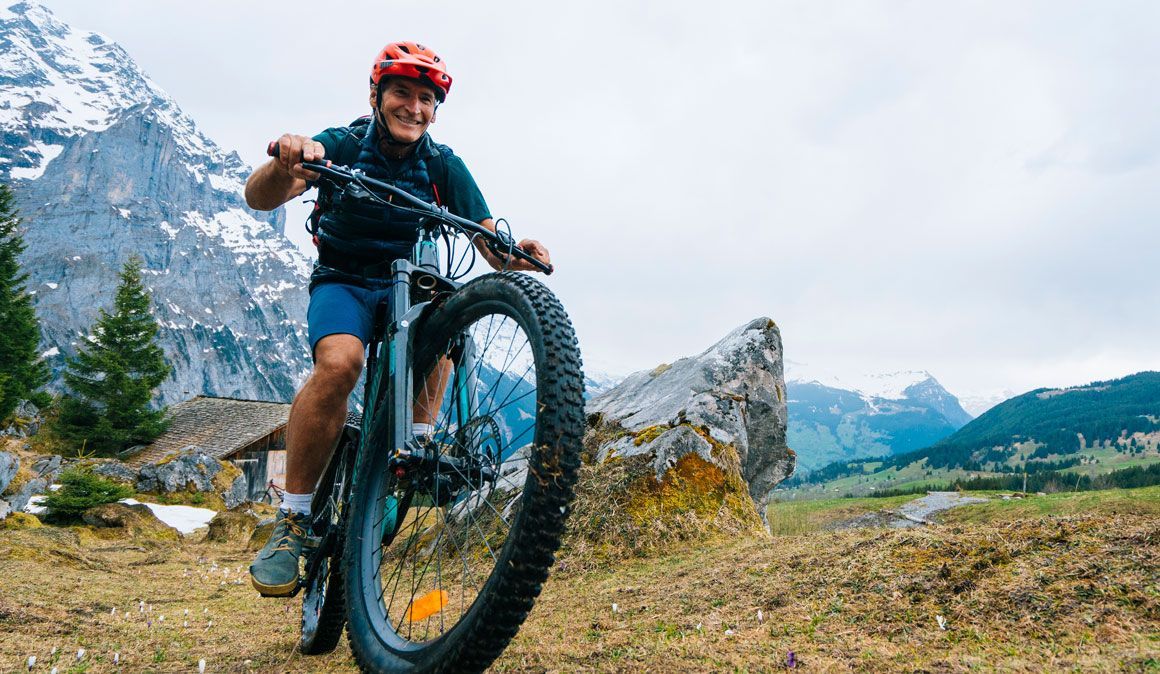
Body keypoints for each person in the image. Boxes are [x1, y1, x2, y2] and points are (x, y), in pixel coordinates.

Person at [243, 41, 552, 596]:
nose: (415, 107)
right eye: (403, 93)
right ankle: (291, 520)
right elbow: (261, 197)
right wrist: (285, 160)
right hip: (344, 282)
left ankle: (407, 459)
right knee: (340, 365)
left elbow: (487, 241)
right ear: (376, 95)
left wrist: (518, 252)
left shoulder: (442, 165)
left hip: (405, 285)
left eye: (427, 99)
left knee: (443, 331)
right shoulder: (339, 145)